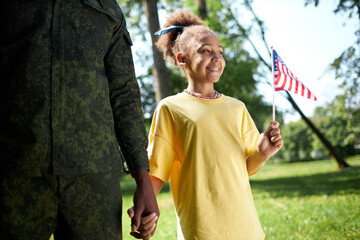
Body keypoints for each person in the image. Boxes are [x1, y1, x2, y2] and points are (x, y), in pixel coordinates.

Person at [0, 1, 158, 239]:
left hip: (94, 179)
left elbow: (124, 94)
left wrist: (142, 178)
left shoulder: (107, 9)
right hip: (16, 173)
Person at [129, 10, 284, 239]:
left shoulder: (237, 108)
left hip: (246, 227)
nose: (216, 58)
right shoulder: (171, 108)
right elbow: (157, 172)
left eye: (220, 52)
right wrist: (144, 206)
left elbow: (244, 168)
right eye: (206, 51)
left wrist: (261, 154)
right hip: (201, 229)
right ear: (182, 59)